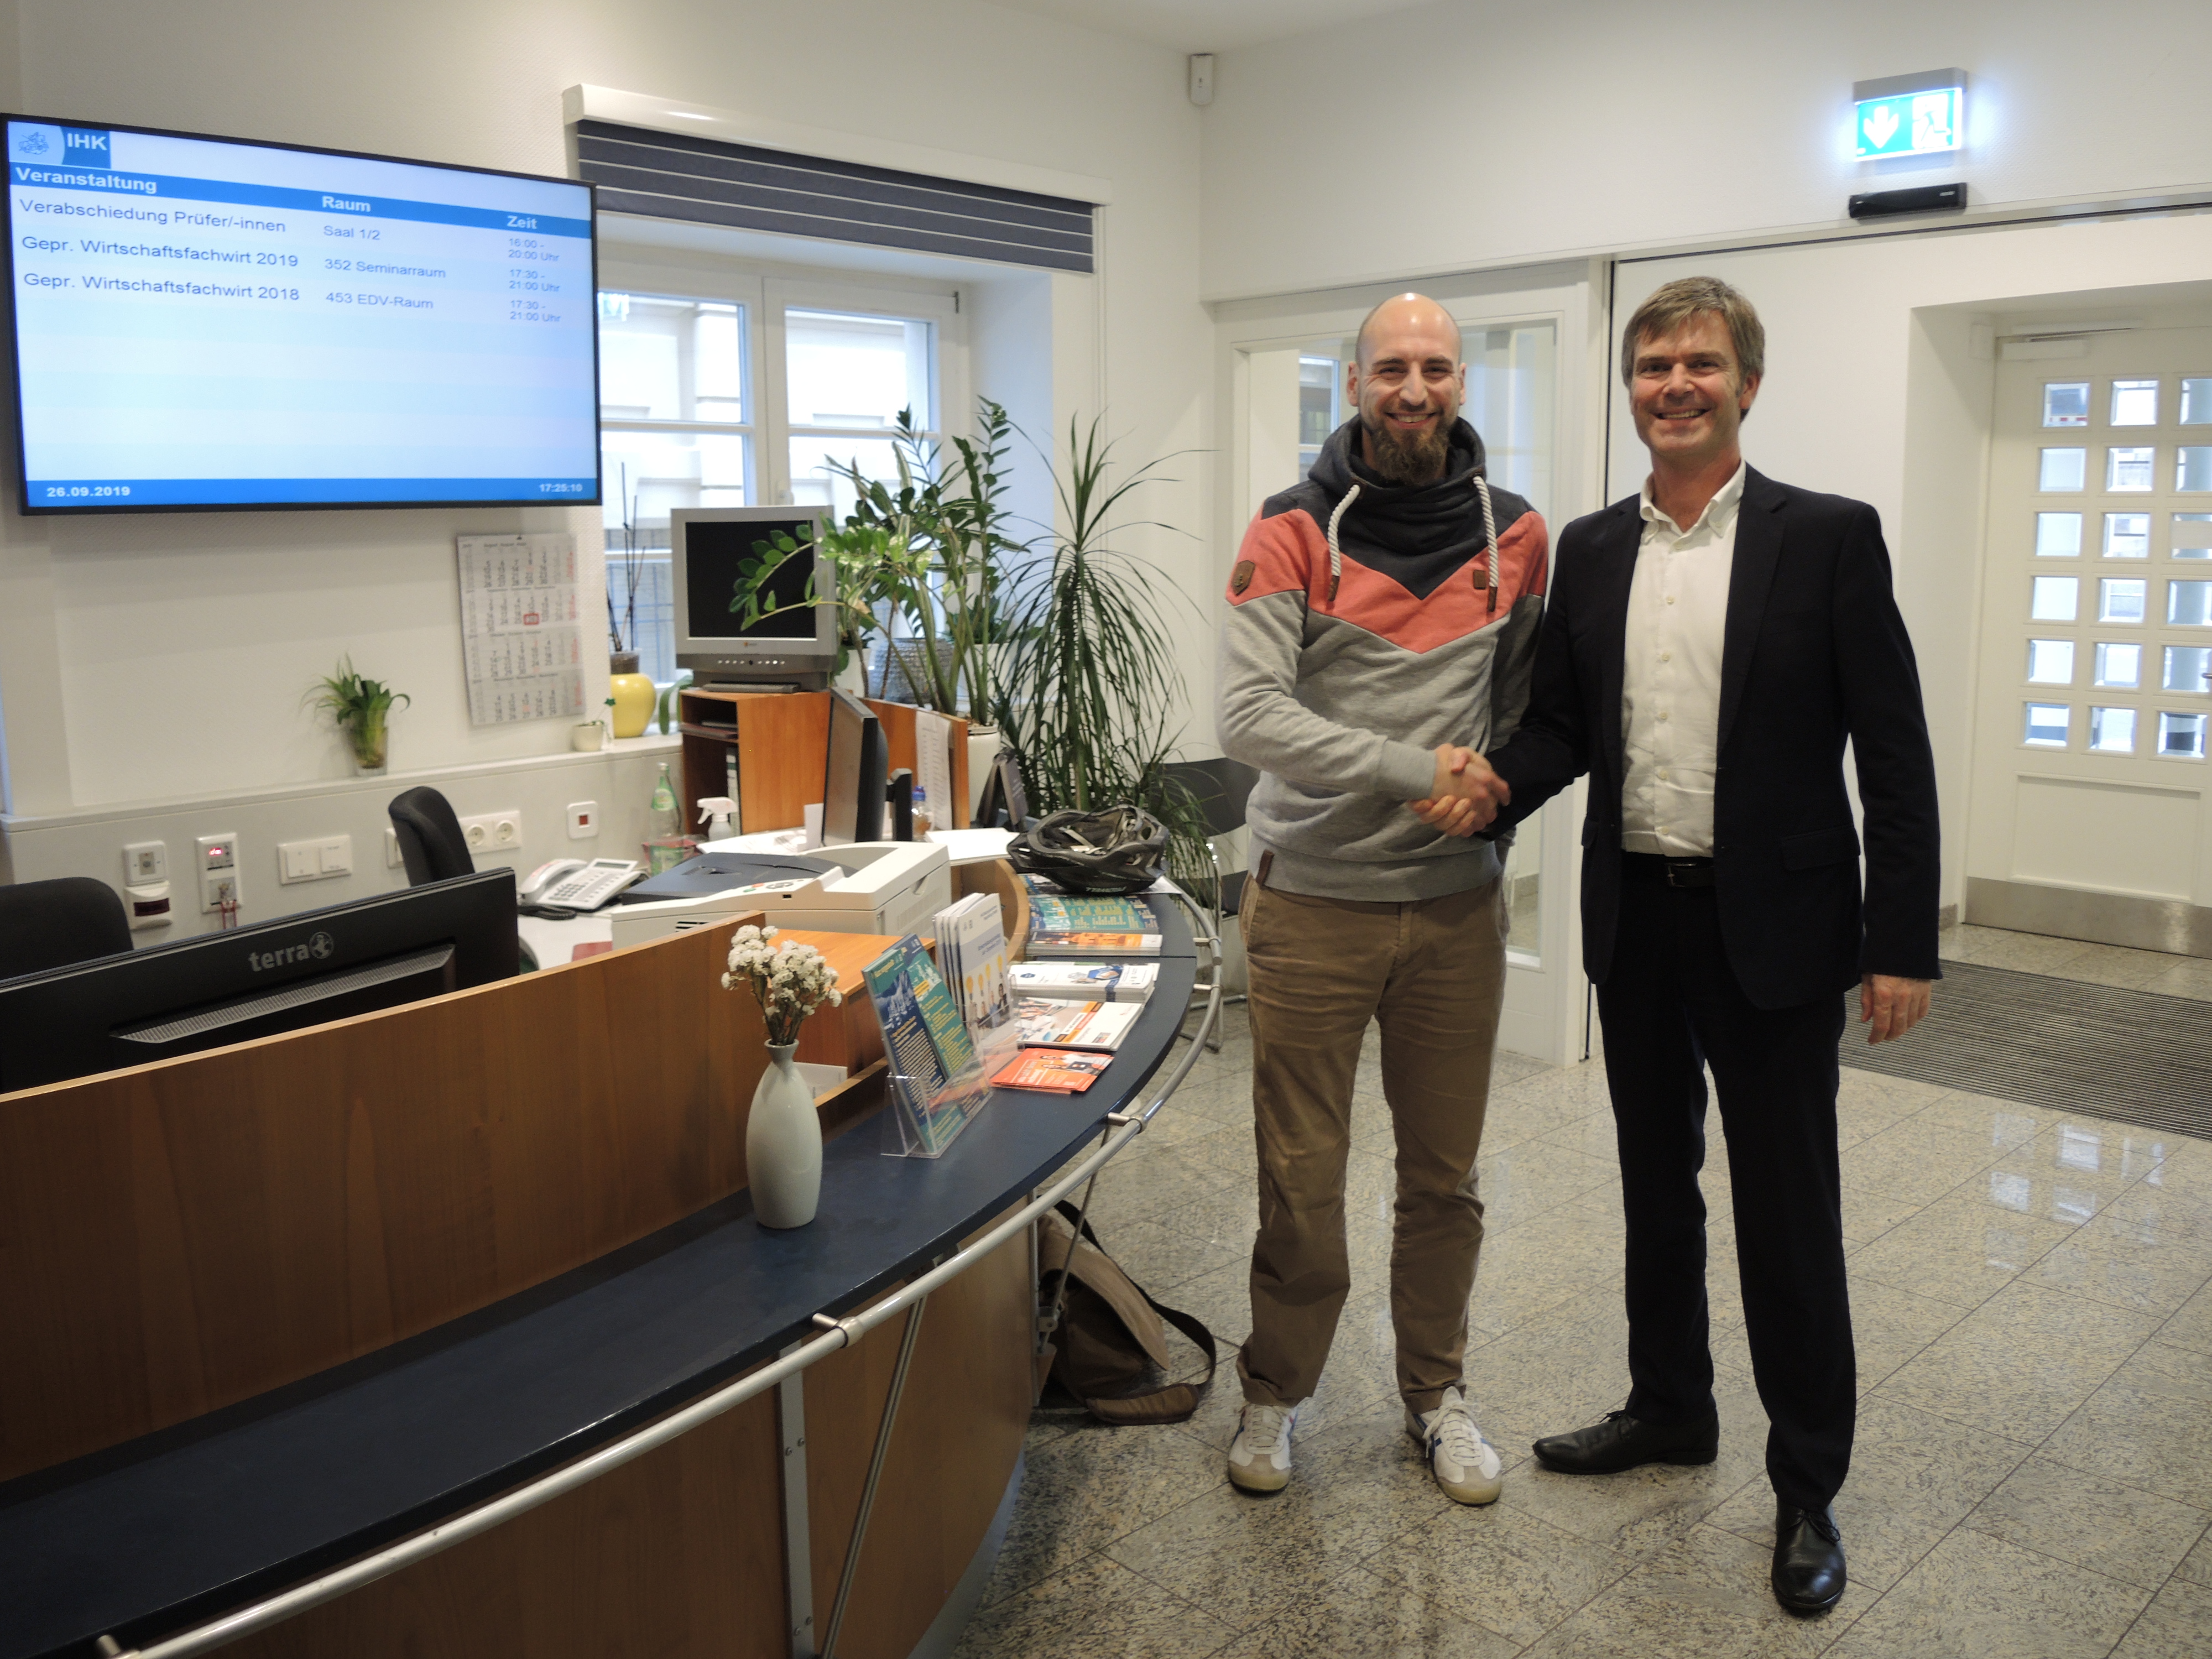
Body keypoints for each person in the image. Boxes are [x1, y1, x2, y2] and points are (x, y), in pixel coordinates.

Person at [1415, 275, 1939, 1613]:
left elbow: (1890, 752)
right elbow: (1564, 730)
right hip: (1635, 919)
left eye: (1700, 363)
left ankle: (1806, 1482)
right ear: (1633, 390)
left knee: (1786, 1213)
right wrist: (1495, 783)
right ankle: (1669, 1407)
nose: (1674, 385)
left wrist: (1900, 943)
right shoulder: (1591, 550)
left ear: (1746, 386)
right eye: (1652, 366)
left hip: (1774, 931)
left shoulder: (1826, 538)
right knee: (1657, 1188)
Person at [1214, 293, 1547, 1506]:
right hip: (1309, 904)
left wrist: (1493, 798)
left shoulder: (1517, 536)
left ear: (1463, 384)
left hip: (1455, 913)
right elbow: (1248, 719)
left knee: (1442, 1180)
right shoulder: (1290, 529)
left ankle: (1434, 1398)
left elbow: (1516, 716)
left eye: (1436, 369)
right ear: (1351, 381)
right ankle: (1273, 1394)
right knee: (1298, 1177)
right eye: (1390, 368)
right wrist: (1418, 772)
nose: (1414, 389)